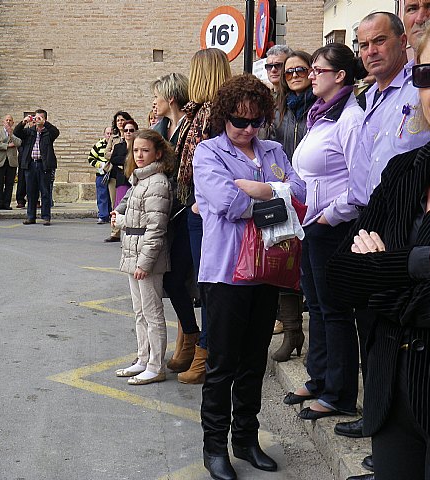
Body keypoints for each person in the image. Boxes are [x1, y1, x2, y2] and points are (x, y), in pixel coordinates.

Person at [327, 13, 430, 479]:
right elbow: (339, 278)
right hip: (392, 396)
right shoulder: (405, 170)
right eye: (429, 75)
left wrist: (380, 271)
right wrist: (418, 262)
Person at [194, 73, 306, 480]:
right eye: (239, 121)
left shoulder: (274, 148)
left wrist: (257, 188)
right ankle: (214, 448)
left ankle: (245, 438)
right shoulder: (208, 152)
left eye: (255, 121)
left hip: (268, 269)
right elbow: (226, 202)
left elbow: (300, 194)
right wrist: (275, 191)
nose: (247, 129)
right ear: (225, 117)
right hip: (225, 272)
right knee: (222, 364)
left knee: (253, 362)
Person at [283, 43, 365, 422]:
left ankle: (339, 394)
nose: (310, 75)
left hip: (334, 227)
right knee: (315, 305)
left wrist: (331, 216)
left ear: (341, 76)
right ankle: (319, 378)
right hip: (313, 225)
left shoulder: (349, 118)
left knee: (334, 311)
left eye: (318, 69)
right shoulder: (322, 115)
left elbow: (361, 183)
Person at [175, 47, 232, 385]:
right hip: (195, 203)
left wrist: (200, 201)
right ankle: (197, 344)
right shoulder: (200, 112)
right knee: (199, 280)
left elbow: (213, 162)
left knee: (208, 282)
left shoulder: (210, 112)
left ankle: (207, 352)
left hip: (203, 206)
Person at [112, 129, 174, 385]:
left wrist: (145, 262)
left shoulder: (157, 182)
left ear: (157, 153)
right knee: (139, 312)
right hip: (132, 249)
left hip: (145, 255)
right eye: (136, 150)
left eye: (145, 150)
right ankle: (142, 358)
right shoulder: (141, 179)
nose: (139, 155)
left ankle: (156, 365)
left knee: (152, 313)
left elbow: (156, 226)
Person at [151, 72, 201, 372]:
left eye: (157, 96)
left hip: (184, 211)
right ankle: (189, 334)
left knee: (179, 278)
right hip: (163, 210)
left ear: (171, 98)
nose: (153, 103)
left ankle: (193, 337)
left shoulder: (189, 127)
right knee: (171, 280)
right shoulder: (160, 128)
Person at [270, 50, 317, 360]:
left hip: (317, 196)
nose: (295, 75)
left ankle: (318, 343)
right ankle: (292, 332)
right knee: (284, 265)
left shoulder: (321, 105)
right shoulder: (278, 109)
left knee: (312, 269)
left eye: (301, 69)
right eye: (288, 72)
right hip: (288, 194)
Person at [14, 109, 60, 226]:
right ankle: (31, 216)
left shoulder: (48, 133)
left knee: (45, 191)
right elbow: (16, 132)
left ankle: (46, 217)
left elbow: (56, 132)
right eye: (36, 117)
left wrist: (45, 124)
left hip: (43, 165)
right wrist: (23, 122)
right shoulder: (30, 132)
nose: (37, 120)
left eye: (40, 118)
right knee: (30, 192)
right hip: (30, 165)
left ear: (44, 119)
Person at [103, 111, 133, 242]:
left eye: (122, 120)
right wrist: (123, 158)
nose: (120, 122)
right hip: (114, 173)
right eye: (118, 120)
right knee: (116, 202)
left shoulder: (133, 137)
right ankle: (115, 232)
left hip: (129, 174)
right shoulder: (114, 138)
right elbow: (108, 154)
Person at [0, 115, 21, 211]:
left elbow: (18, 143)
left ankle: (6, 203)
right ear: (3, 122)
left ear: (13, 123)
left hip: (11, 161)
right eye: (7, 120)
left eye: (10, 120)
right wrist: (7, 145)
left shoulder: (16, 133)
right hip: (0, 160)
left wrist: (11, 134)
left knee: (9, 183)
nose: (8, 122)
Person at [88, 126, 112, 224]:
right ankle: (102, 216)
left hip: (113, 175)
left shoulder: (116, 144)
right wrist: (100, 165)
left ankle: (111, 215)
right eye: (107, 133)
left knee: (112, 196)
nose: (109, 135)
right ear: (104, 134)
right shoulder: (98, 145)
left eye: (111, 133)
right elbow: (90, 158)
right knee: (102, 196)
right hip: (101, 174)